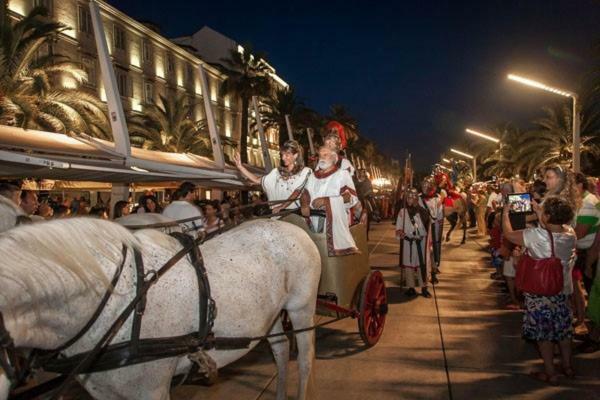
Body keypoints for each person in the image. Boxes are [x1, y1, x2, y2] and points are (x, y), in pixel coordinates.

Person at [503, 196, 577, 385]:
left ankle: (550, 372)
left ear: (549, 216)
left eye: (544, 212)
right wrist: (540, 214)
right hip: (561, 289)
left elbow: (509, 235)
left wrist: (505, 213)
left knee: (544, 334)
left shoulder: (537, 235)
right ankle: (568, 366)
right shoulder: (570, 233)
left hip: (540, 292)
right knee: (563, 330)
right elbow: (552, 233)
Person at [303, 145, 359, 256]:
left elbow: (351, 197)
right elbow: (305, 194)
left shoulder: (342, 174)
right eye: (320, 156)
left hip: (334, 220)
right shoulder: (312, 176)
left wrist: (327, 201)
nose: (321, 158)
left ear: (334, 158)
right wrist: (304, 204)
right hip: (313, 219)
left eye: (325, 155)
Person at [235, 140, 312, 213]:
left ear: (295, 155)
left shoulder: (305, 171)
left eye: (286, 155)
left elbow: (297, 192)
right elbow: (257, 179)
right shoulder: (276, 172)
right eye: (282, 155)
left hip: (294, 213)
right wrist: (240, 167)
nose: (283, 158)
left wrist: (282, 207)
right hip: (275, 213)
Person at [396, 188, 432, 298]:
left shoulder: (423, 211)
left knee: (422, 265)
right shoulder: (402, 211)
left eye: (411, 197)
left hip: (420, 243)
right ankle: (411, 287)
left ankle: (424, 287)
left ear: (416, 198)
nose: (409, 199)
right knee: (409, 266)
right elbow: (398, 226)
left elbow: (427, 226)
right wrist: (400, 233)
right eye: (408, 197)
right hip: (408, 243)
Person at [419, 177, 443, 275]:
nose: (427, 188)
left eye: (429, 186)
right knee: (422, 247)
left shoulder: (437, 198)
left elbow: (439, 214)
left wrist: (437, 228)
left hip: (433, 226)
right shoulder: (418, 197)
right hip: (421, 225)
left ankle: (434, 266)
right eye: (425, 186)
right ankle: (421, 265)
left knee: (433, 247)